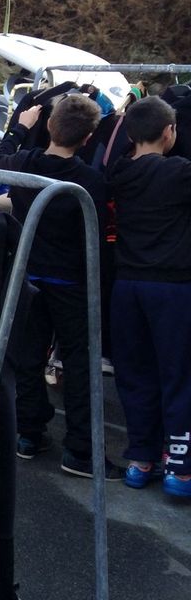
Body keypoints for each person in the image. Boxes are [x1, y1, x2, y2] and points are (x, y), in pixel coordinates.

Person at [0, 93, 124, 480]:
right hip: (71, 282)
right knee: (80, 364)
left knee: (27, 357)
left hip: (29, 276)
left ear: (49, 125)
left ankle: (28, 432)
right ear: (89, 138)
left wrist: (19, 128)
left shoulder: (24, 164)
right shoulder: (91, 182)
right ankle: (80, 449)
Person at [107, 95, 191, 497]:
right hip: (173, 287)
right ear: (169, 132)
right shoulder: (180, 173)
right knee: (178, 374)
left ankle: (141, 459)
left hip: (127, 286)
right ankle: (180, 468)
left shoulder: (118, 172)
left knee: (135, 374)